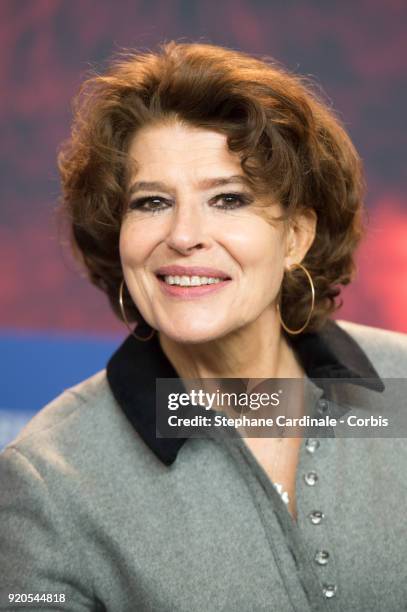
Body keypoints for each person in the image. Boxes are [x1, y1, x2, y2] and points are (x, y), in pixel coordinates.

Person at [0, 41, 406, 612]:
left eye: (228, 198)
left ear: (296, 237)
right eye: (150, 203)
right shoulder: (49, 482)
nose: (184, 234)